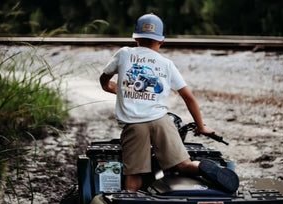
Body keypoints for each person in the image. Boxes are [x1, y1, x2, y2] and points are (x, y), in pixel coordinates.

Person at [100, 13, 239, 193]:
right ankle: (205, 168)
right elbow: (189, 97)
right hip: (161, 121)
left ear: (136, 38)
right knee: (183, 164)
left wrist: (113, 88)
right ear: (162, 41)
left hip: (134, 125)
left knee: (134, 174)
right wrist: (201, 126)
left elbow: (104, 79)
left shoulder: (124, 53)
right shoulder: (166, 64)